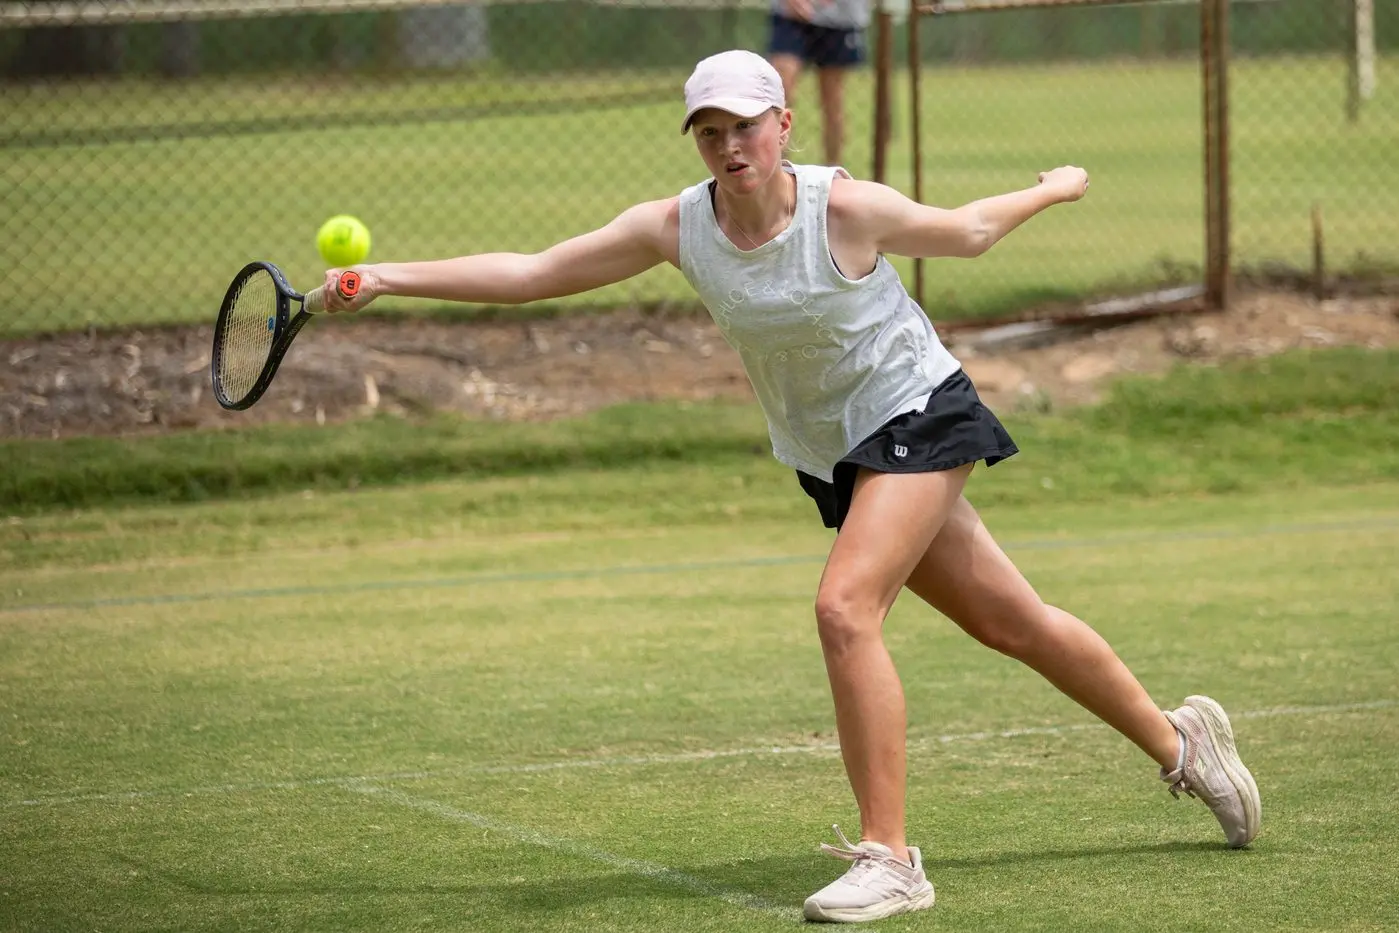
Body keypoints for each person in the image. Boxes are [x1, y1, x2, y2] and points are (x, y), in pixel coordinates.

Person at [320, 49, 1262, 924]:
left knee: (844, 608)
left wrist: (1051, 188)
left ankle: (890, 857)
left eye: (744, 126)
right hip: (838, 451)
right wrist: (387, 277)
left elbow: (968, 231)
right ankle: (1182, 745)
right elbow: (533, 272)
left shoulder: (840, 208)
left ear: (783, 125)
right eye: (709, 131)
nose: (729, 146)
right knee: (1012, 622)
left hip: (918, 410)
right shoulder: (676, 226)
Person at [767, 0, 870, 165]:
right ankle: (777, 168)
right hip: (790, 13)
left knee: (833, 101)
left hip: (840, 17)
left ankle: (833, 170)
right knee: (779, 91)